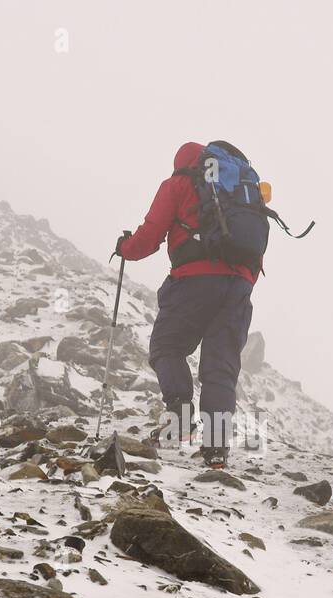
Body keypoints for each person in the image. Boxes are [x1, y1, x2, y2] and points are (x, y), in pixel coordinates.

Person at [115, 141, 258, 469]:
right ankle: (216, 448)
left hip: (193, 281)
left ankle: (179, 419)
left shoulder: (179, 184)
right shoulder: (239, 192)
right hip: (239, 286)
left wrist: (125, 248)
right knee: (220, 364)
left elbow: (150, 236)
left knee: (167, 346)